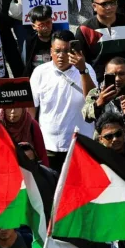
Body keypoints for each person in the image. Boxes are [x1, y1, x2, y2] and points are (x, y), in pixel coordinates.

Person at [28, 30, 97, 169]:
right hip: (49, 145)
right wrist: (31, 138)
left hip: (80, 144)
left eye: (66, 51)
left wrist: (82, 70)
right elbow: (31, 109)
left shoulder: (87, 69)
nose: (61, 56)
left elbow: (92, 99)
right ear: (51, 51)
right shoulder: (40, 72)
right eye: (57, 51)